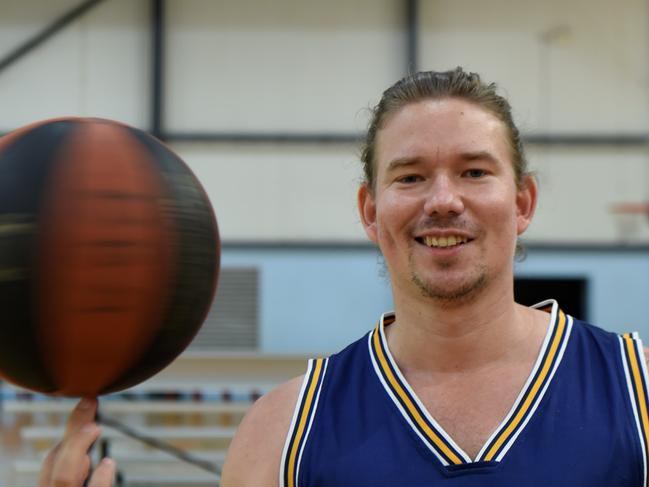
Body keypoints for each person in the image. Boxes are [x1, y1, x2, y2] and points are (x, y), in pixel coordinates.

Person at [40, 68, 649, 486]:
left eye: (473, 172)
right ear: (369, 210)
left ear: (522, 202)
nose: (442, 199)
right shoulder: (280, 432)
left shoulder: (637, 391)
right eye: (409, 177)